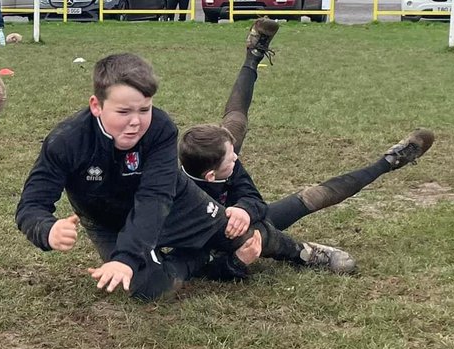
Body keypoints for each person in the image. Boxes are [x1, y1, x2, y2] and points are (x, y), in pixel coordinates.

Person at [14, 53, 353, 302]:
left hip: (176, 202)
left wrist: (127, 256)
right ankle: (197, 259)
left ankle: (302, 252)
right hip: (108, 223)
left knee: (239, 234)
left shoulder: (160, 129)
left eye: (143, 109)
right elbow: (31, 205)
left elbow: (154, 198)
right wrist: (48, 230)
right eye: (123, 111)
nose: (136, 121)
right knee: (144, 291)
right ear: (96, 105)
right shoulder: (66, 142)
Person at [177, 19, 434, 280]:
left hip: (245, 217)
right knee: (302, 204)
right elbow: (190, 262)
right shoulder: (179, 204)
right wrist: (235, 263)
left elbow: (254, 199)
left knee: (235, 121)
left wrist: (243, 209)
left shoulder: (217, 163)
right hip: (226, 240)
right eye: (230, 158)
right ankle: (303, 251)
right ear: (211, 176)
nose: (237, 158)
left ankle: (253, 54)